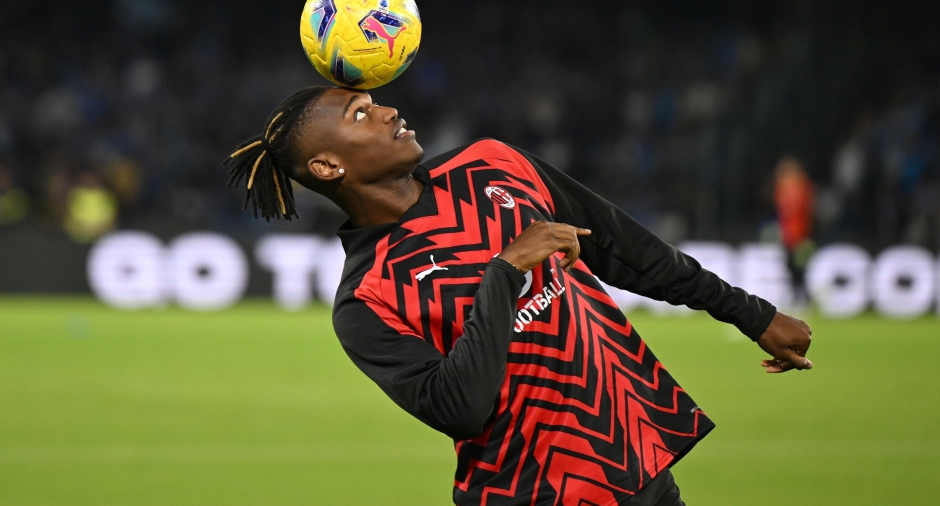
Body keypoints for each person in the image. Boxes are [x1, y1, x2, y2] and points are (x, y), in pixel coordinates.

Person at [224, 86, 813, 506]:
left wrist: (749, 312)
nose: (387, 110)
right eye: (360, 114)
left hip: (637, 460)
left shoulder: (491, 165)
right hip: (535, 492)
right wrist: (504, 271)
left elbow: (624, 247)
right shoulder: (366, 299)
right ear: (327, 166)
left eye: (373, 102)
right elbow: (458, 409)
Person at [773, 158, 816, 307]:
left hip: (801, 236)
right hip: (789, 236)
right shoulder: (781, 188)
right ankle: (797, 297)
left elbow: (801, 210)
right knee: (790, 266)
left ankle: (804, 298)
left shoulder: (802, 187)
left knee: (801, 268)